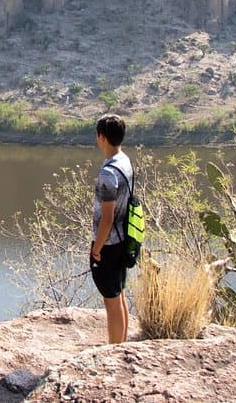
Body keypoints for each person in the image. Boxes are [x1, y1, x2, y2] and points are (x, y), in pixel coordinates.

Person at [89, 113, 133, 344]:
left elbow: (106, 217)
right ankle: (121, 345)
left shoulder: (108, 173)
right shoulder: (124, 161)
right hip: (123, 238)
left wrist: (97, 247)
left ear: (102, 137)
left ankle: (114, 351)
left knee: (111, 300)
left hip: (109, 243)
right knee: (118, 293)